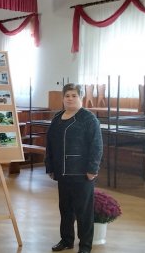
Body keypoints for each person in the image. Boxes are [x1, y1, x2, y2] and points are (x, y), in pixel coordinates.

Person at [45, 83, 103, 253]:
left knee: (83, 212)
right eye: (67, 96)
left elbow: (97, 146)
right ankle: (66, 240)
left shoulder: (89, 119)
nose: (70, 99)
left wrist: (93, 169)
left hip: (82, 174)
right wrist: (50, 166)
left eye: (74, 95)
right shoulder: (57, 118)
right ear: (63, 98)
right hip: (62, 173)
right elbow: (50, 144)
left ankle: (85, 246)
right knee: (65, 209)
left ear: (81, 97)